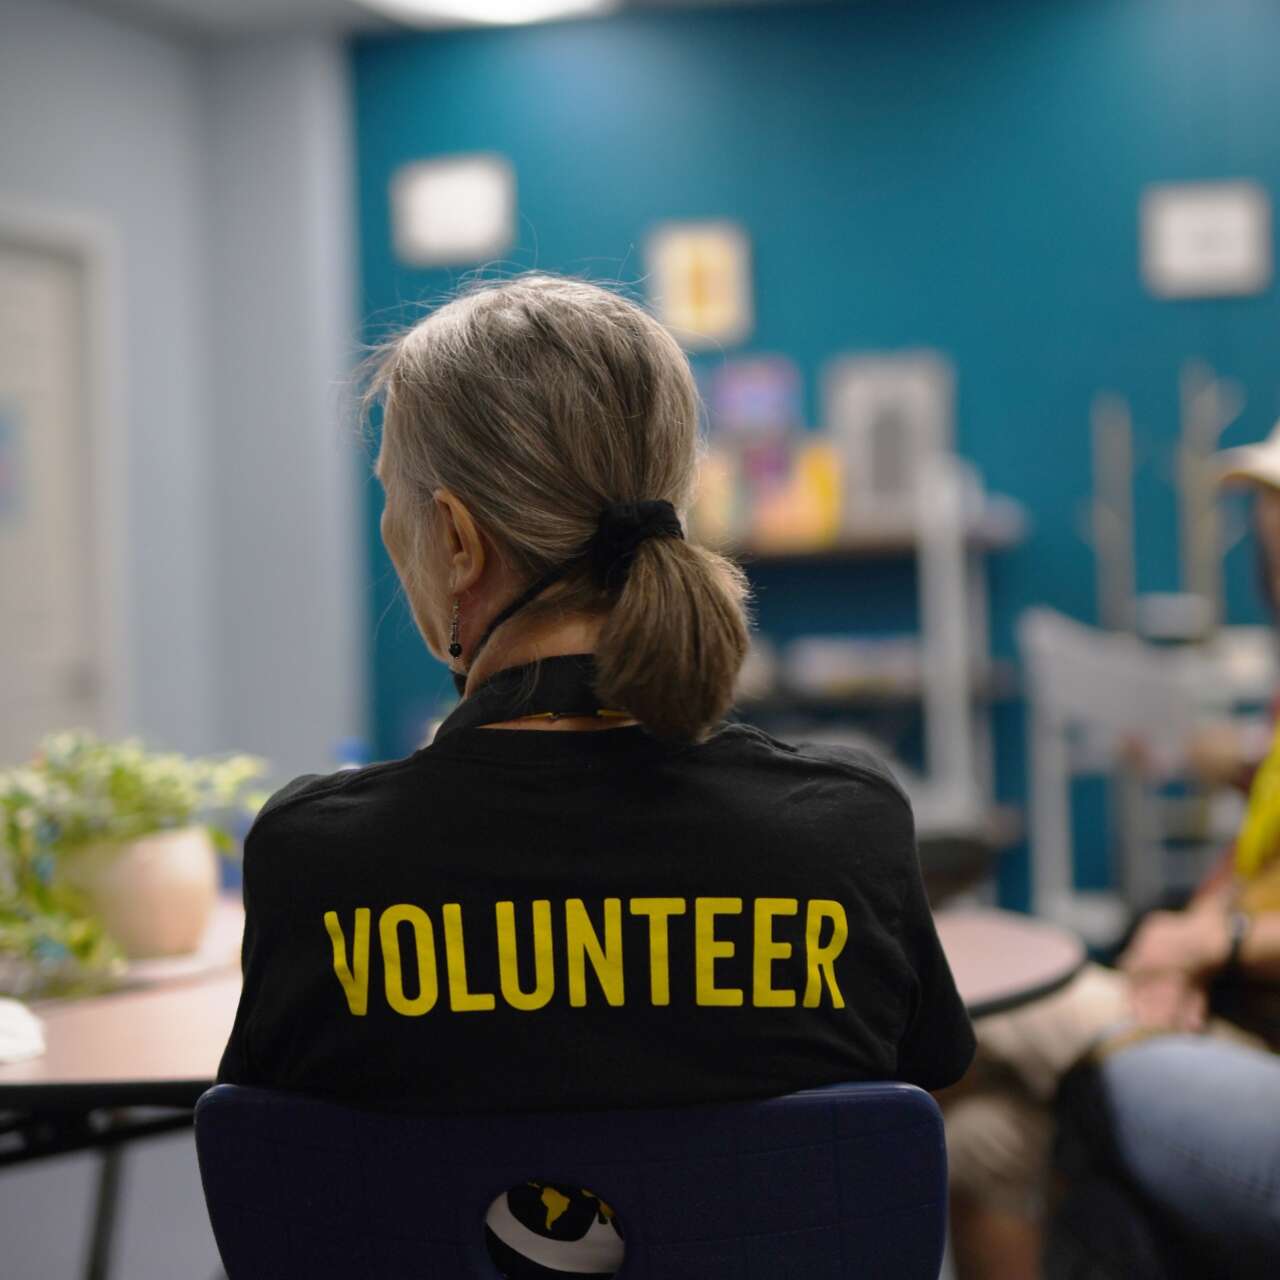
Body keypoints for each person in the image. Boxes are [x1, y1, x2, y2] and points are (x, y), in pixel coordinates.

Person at [216, 274, 975, 1278]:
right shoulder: (841, 826)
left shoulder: (316, 860)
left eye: (391, 496)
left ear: (454, 537)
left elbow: (285, 1162)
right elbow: (914, 1104)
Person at [944, 422, 1280, 1280]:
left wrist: (1215, 944)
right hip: (1230, 1017)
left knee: (957, 1006)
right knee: (976, 1141)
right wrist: (1194, 945)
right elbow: (1250, 870)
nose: (1267, 533)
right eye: (1263, 508)